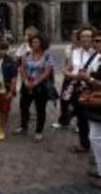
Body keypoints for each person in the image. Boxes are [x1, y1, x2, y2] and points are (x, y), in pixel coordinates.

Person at [63, 25, 98, 153]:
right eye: (83, 36)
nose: (85, 38)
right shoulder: (75, 52)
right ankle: (84, 144)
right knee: (81, 118)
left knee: (95, 120)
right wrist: (73, 75)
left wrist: (88, 78)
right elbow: (67, 69)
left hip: (94, 89)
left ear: (94, 38)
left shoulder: (98, 53)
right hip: (78, 89)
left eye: (88, 36)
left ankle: (96, 147)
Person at [15, 33, 54, 142]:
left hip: (40, 86)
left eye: (36, 42)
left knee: (40, 109)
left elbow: (48, 71)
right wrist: (25, 80)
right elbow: (22, 67)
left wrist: (36, 82)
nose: (34, 44)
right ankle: (23, 126)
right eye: (32, 42)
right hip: (27, 84)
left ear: (41, 43)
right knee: (23, 106)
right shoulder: (27, 54)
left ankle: (38, 131)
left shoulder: (46, 55)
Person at [77, 30, 101, 188]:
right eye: (96, 40)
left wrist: (89, 78)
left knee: (96, 138)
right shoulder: (97, 57)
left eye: (99, 41)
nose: (98, 43)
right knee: (94, 137)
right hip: (95, 102)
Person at [52, 29, 80, 129]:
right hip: (68, 77)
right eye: (73, 35)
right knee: (64, 99)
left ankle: (79, 123)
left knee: (77, 101)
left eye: (76, 36)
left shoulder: (83, 49)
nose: (74, 38)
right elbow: (66, 61)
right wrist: (64, 70)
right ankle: (63, 121)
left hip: (79, 78)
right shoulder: (68, 47)